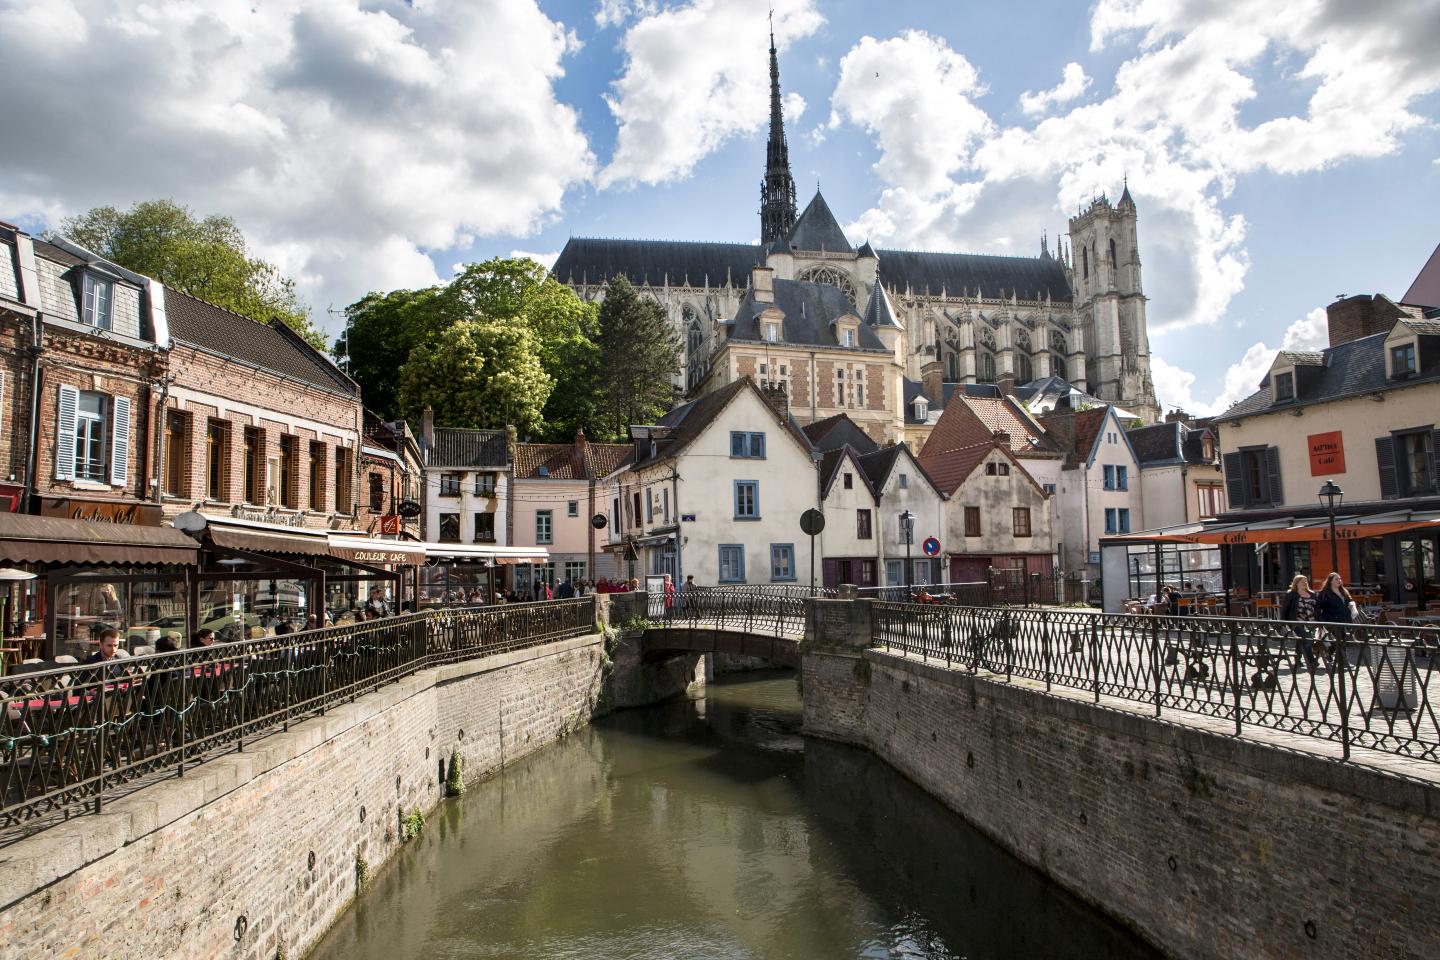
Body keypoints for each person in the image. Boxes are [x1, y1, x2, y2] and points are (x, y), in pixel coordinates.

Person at [1313, 572, 1354, 668]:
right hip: (1331, 620)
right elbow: (1318, 608)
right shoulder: (1325, 593)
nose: (1339, 581)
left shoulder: (1344, 591)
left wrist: (1352, 605)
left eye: (1340, 579)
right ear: (1330, 581)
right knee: (1339, 641)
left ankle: (1330, 653)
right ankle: (1343, 662)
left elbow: (1349, 602)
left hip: (1344, 620)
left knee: (1341, 641)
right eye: (1336, 579)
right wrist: (1320, 622)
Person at [1279, 574, 1318, 670]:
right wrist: (1283, 623)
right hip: (1297, 621)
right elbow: (1285, 609)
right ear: (1296, 583)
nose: (1305, 583)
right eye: (1302, 581)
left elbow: (1317, 607)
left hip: (1311, 621)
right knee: (1307, 639)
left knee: (1301, 640)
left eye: (1305, 581)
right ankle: (1311, 661)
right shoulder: (1291, 594)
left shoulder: (1312, 593)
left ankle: (1297, 659)